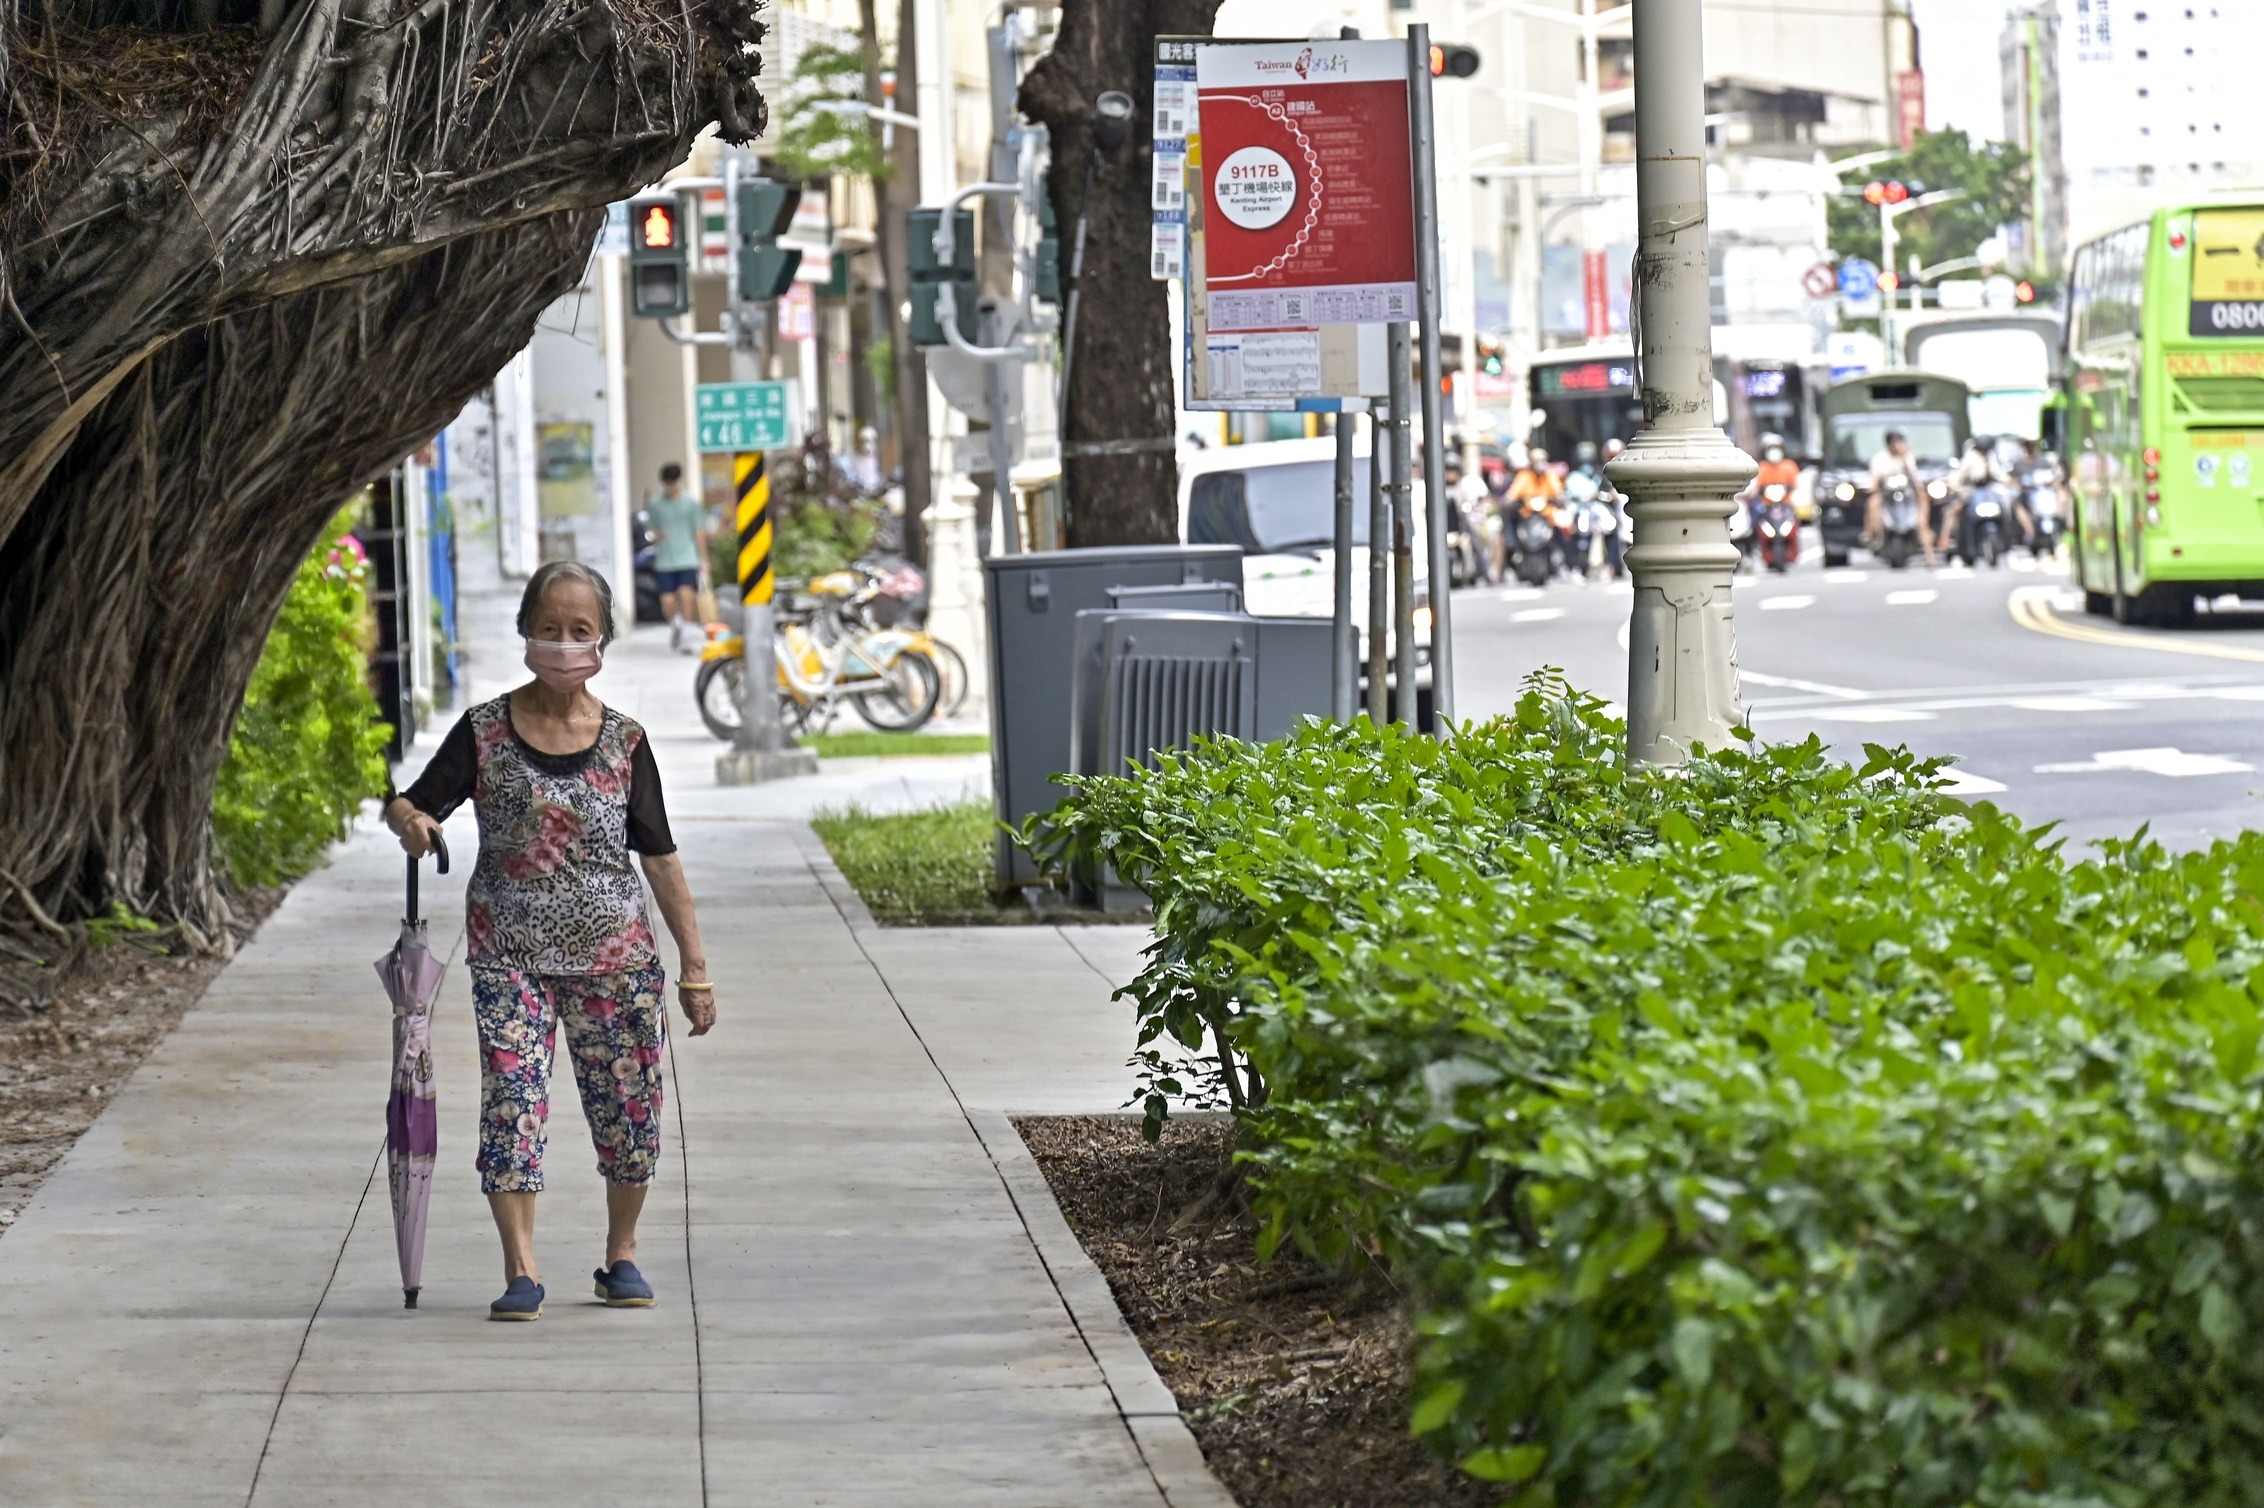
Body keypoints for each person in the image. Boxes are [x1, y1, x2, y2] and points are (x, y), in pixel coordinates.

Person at [383, 561, 716, 1322]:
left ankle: (621, 1254)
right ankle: (521, 1269)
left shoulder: (627, 742)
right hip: (509, 957)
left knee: (631, 1113)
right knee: (512, 1104)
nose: (564, 645)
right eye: (550, 629)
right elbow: (412, 804)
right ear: (525, 632)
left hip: (618, 961)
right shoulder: (483, 732)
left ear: (603, 639)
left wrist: (694, 970)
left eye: (581, 631)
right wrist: (414, 824)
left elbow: (659, 856)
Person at [645, 463, 707, 654]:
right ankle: (677, 625)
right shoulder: (655, 504)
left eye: (672, 482)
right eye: (666, 483)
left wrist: (703, 558)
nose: (670, 486)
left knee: (687, 595)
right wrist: (654, 534)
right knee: (667, 601)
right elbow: (650, 528)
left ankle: (687, 638)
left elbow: (698, 532)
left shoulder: (691, 503)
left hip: (687, 557)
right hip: (665, 559)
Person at [1863, 429, 1933, 567]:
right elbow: (1875, 479)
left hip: (1907, 494)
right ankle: (1873, 533)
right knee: (1873, 502)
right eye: (1896, 442)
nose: (1899, 445)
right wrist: (1875, 485)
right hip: (1887, 494)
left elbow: (1914, 477)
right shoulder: (1880, 459)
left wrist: (1904, 459)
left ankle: (1928, 550)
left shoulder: (1908, 457)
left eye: (1901, 442)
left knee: (1923, 498)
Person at [1506, 446, 1566, 576]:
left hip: (1546, 516)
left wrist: (1559, 500)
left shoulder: (1549, 475)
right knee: (1509, 526)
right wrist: (1509, 501)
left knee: (1562, 534)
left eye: (1542, 460)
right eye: (1537, 461)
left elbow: (1558, 493)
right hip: (1526, 516)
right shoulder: (1524, 476)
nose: (1540, 464)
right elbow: (1512, 494)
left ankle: (1562, 561)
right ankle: (1513, 555)